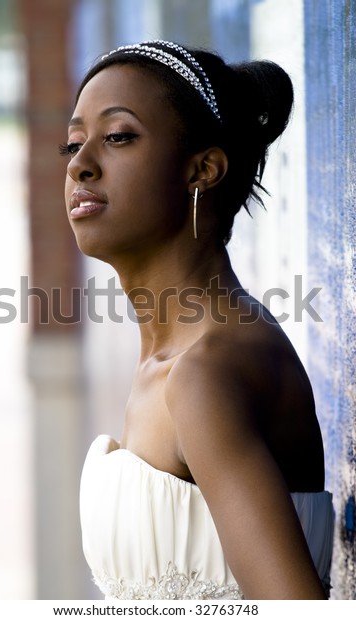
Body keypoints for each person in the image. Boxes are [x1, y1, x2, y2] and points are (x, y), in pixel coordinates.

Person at [61, 40, 334, 600]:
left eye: (118, 137)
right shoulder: (171, 362)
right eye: (72, 143)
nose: (80, 164)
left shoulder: (207, 372)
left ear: (203, 170)